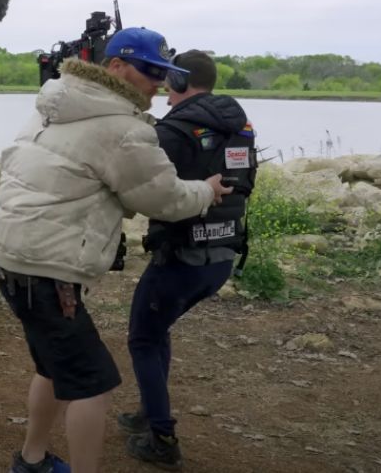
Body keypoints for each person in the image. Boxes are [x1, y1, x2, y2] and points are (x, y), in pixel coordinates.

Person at [0, 28, 232, 473]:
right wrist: (206, 189)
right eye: (151, 71)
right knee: (92, 384)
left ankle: (32, 460)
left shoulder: (54, 103)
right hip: (47, 266)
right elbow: (163, 199)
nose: (159, 82)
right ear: (115, 67)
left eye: (166, 73)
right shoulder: (123, 127)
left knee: (53, 366)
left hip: (10, 253)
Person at [120, 50, 257, 470]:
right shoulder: (242, 125)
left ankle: (162, 437)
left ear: (181, 82)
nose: (163, 89)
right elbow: (244, 183)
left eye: (168, 80)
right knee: (157, 330)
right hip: (221, 257)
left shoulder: (174, 130)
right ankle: (148, 411)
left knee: (143, 337)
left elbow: (150, 188)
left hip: (180, 256)